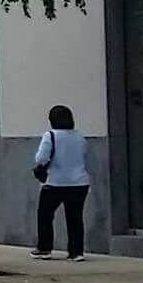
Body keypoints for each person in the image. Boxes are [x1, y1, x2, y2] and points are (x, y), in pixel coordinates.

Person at [32, 104, 90, 261]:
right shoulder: (79, 137)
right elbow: (86, 157)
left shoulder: (50, 135)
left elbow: (41, 159)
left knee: (45, 215)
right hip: (79, 182)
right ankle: (76, 252)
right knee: (75, 218)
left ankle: (45, 248)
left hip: (55, 182)